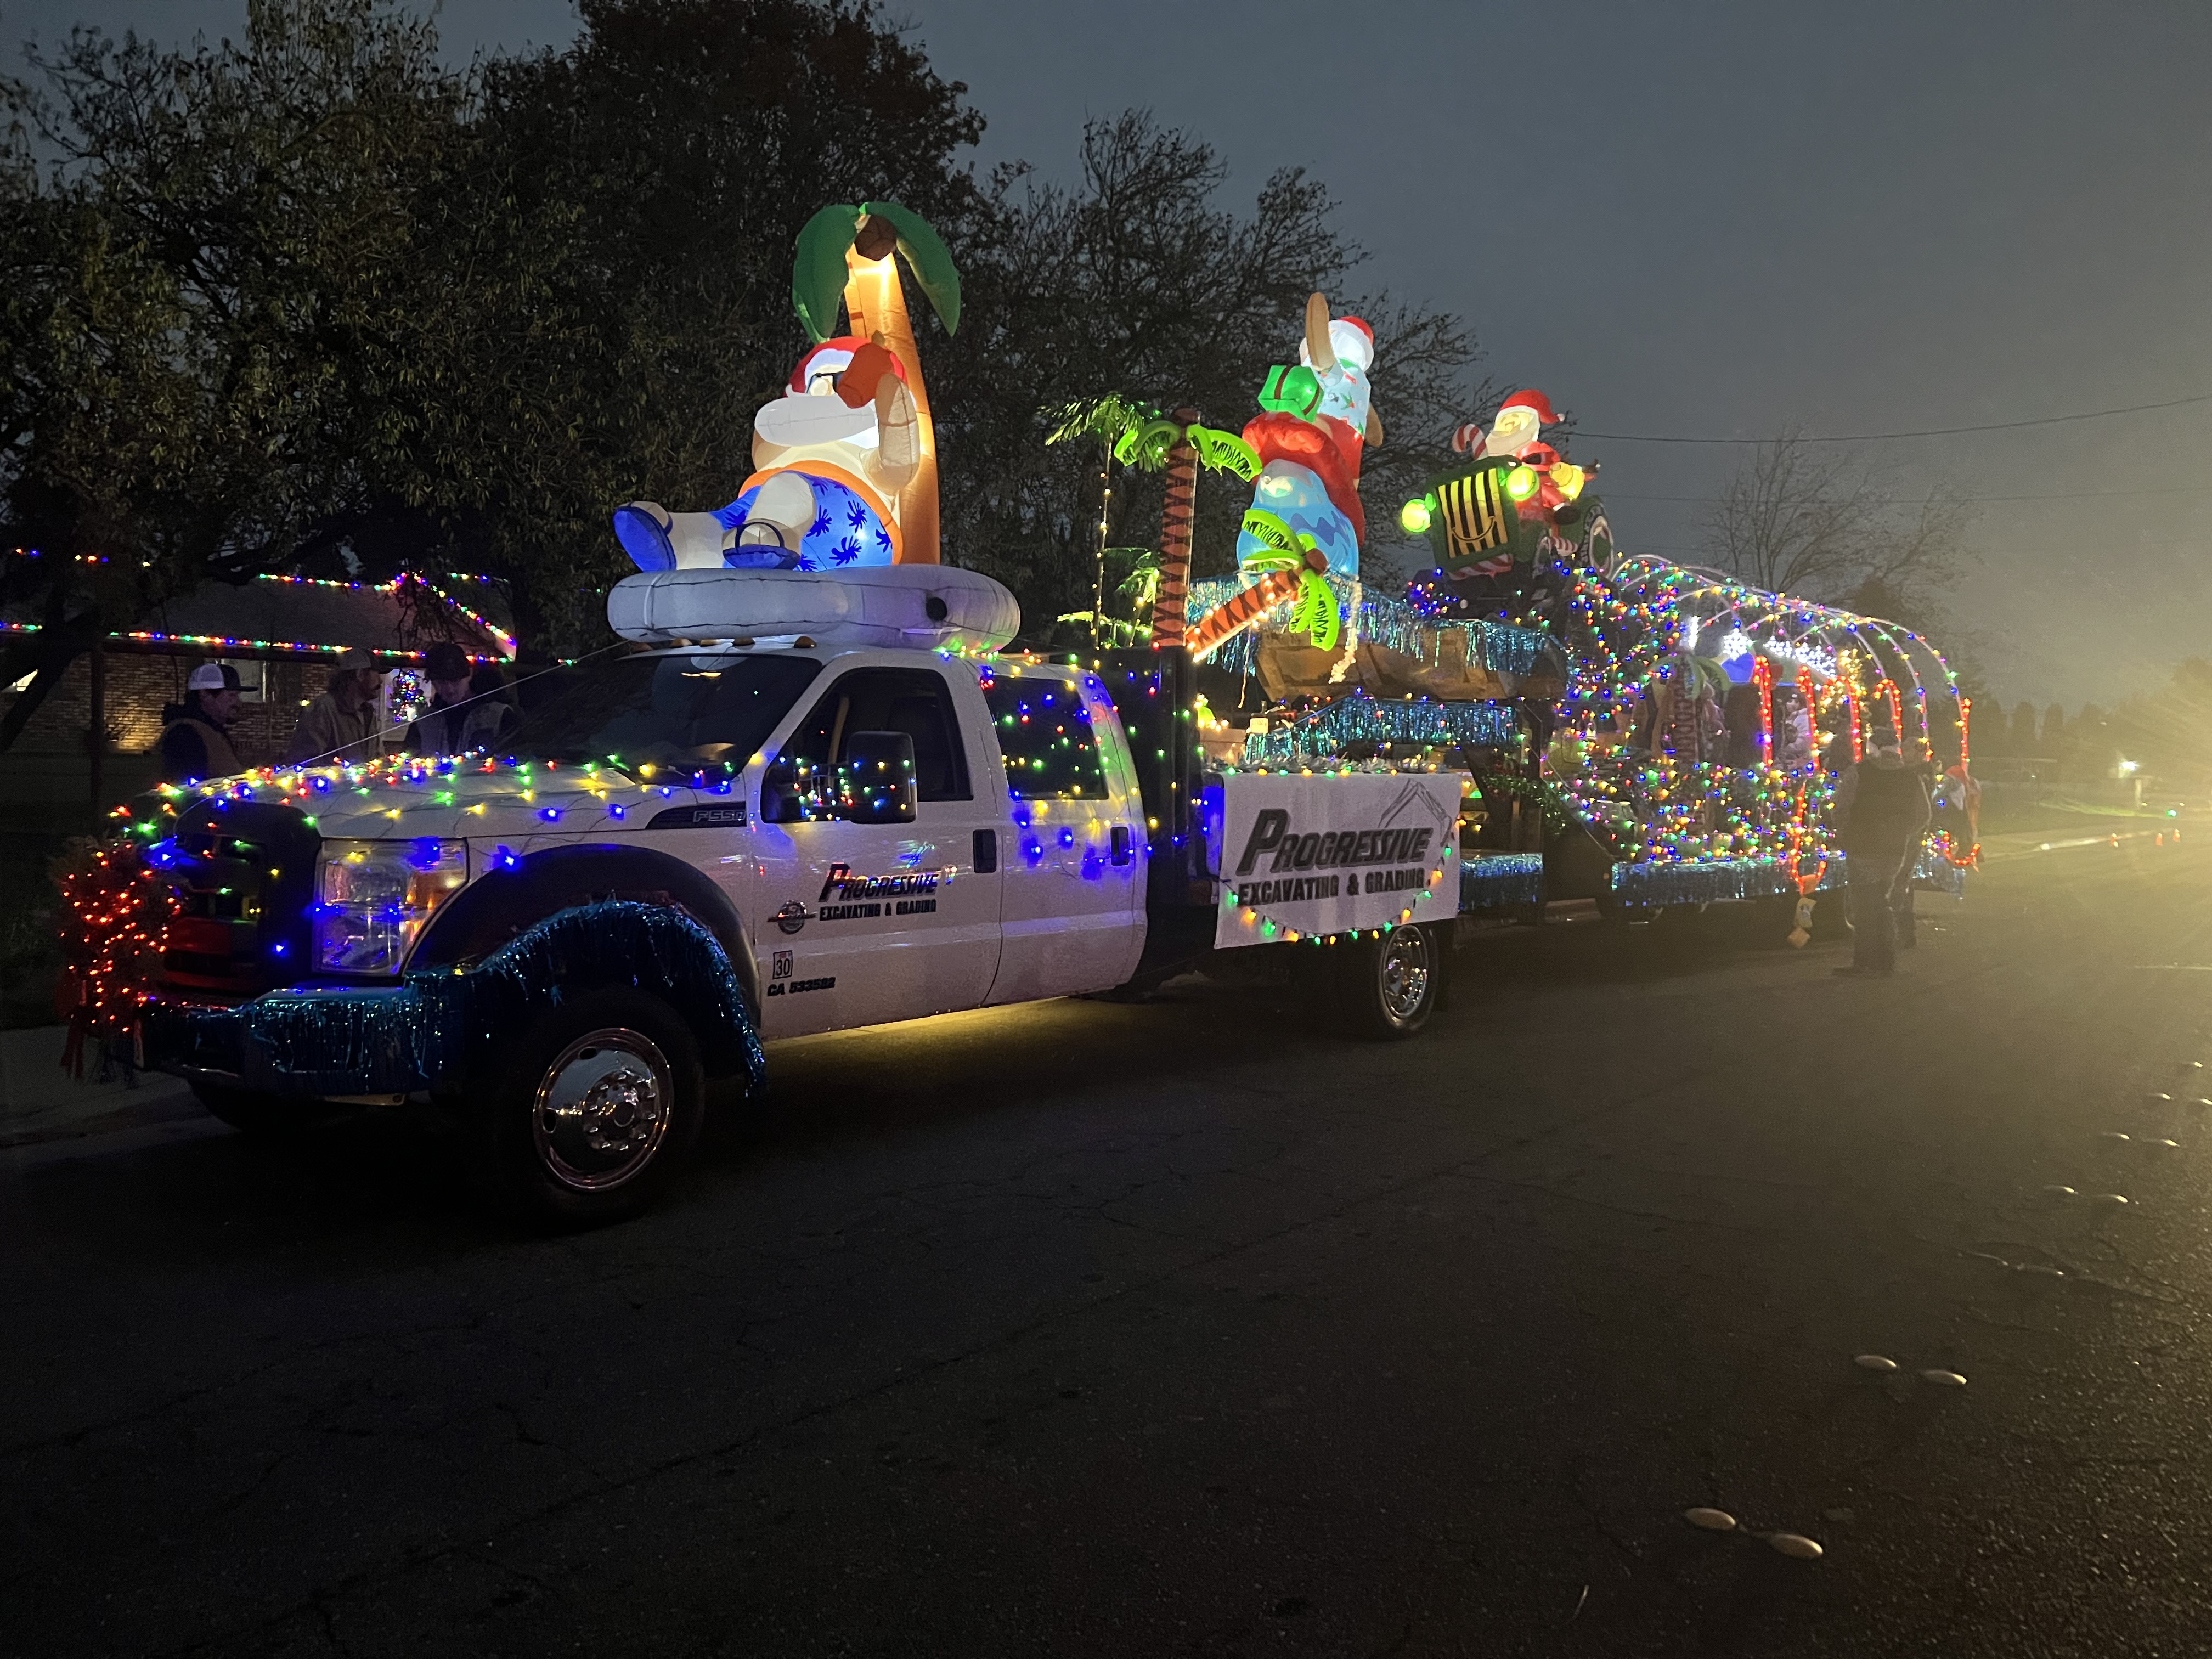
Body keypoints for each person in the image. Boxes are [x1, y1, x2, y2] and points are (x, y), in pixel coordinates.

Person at [1832, 740, 1931, 978]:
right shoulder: (1911, 777)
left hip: (1862, 845)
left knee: (1865, 903)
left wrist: (1844, 832)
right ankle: (1884, 959)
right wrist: (1905, 832)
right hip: (1894, 848)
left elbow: (1841, 806)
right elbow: (1924, 814)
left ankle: (1867, 960)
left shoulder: (1859, 772)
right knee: (1881, 898)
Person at [404, 641, 517, 756]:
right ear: (433, 682)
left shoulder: (498, 716)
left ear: (470, 675)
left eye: (456, 681)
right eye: (441, 682)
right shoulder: (424, 722)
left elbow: (517, 759)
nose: (450, 690)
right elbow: (409, 762)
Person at [283, 648, 386, 765]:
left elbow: (378, 758)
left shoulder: (368, 714)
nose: (380, 681)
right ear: (360, 675)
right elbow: (304, 762)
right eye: (376, 674)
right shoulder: (322, 710)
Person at [155, 662, 245, 782]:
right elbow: (189, 790)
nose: (238, 703)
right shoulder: (185, 734)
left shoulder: (209, 731)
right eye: (231, 695)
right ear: (205, 695)